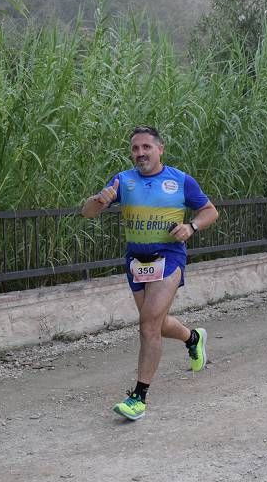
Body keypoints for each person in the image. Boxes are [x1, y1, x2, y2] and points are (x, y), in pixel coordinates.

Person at [81, 125, 219, 421]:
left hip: (168, 256)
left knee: (147, 325)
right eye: (135, 148)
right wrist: (99, 200)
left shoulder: (180, 180)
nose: (140, 153)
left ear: (160, 149)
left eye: (146, 147)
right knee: (155, 322)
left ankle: (138, 397)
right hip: (136, 260)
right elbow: (87, 212)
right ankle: (193, 338)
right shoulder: (123, 181)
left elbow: (210, 211)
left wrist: (191, 226)